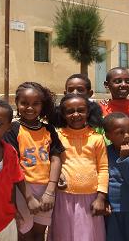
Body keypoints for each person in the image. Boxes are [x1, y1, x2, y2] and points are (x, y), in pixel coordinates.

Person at [3, 82, 64, 241]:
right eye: (24, 103)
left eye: (35, 104)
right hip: (22, 189)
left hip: (46, 190)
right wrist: (28, 197)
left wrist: (50, 191)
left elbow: (56, 157)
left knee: (39, 234)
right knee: (24, 234)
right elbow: (13, 164)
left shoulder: (49, 130)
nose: (30, 108)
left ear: (42, 105)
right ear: (16, 103)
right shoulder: (13, 130)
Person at [0, 99, 38, 240]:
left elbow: (16, 180)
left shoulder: (10, 152)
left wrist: (27, 200)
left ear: (9, 127)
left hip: (6, 220)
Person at [48, 94, 108, 241]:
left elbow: (103, 168)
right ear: (62, 114)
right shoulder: (57, 136)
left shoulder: (96, 138)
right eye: (70, 111)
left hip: (90, 198)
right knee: (63, 235)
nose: (76, 114)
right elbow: (50, 161)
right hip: (63, 198)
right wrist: (57, 175)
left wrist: (101, 197)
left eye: (81, 110)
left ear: (88, 112)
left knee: (87, 236)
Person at [103, 112, 129, 241]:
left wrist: (125, 159)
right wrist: (103, 200)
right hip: (111, 210)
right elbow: (100, 177)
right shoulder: (105, 152)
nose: (127, 136)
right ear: (108, 136)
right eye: (120, 132)